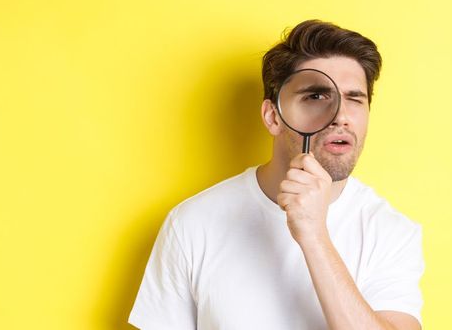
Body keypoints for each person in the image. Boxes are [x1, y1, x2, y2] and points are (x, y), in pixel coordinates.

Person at [128, 19, 424, 330]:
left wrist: (314, 237)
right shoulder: (193, 223)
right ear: (274, 116)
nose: (341, 116)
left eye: (354, 99)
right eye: (316, 96)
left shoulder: (391, 232)